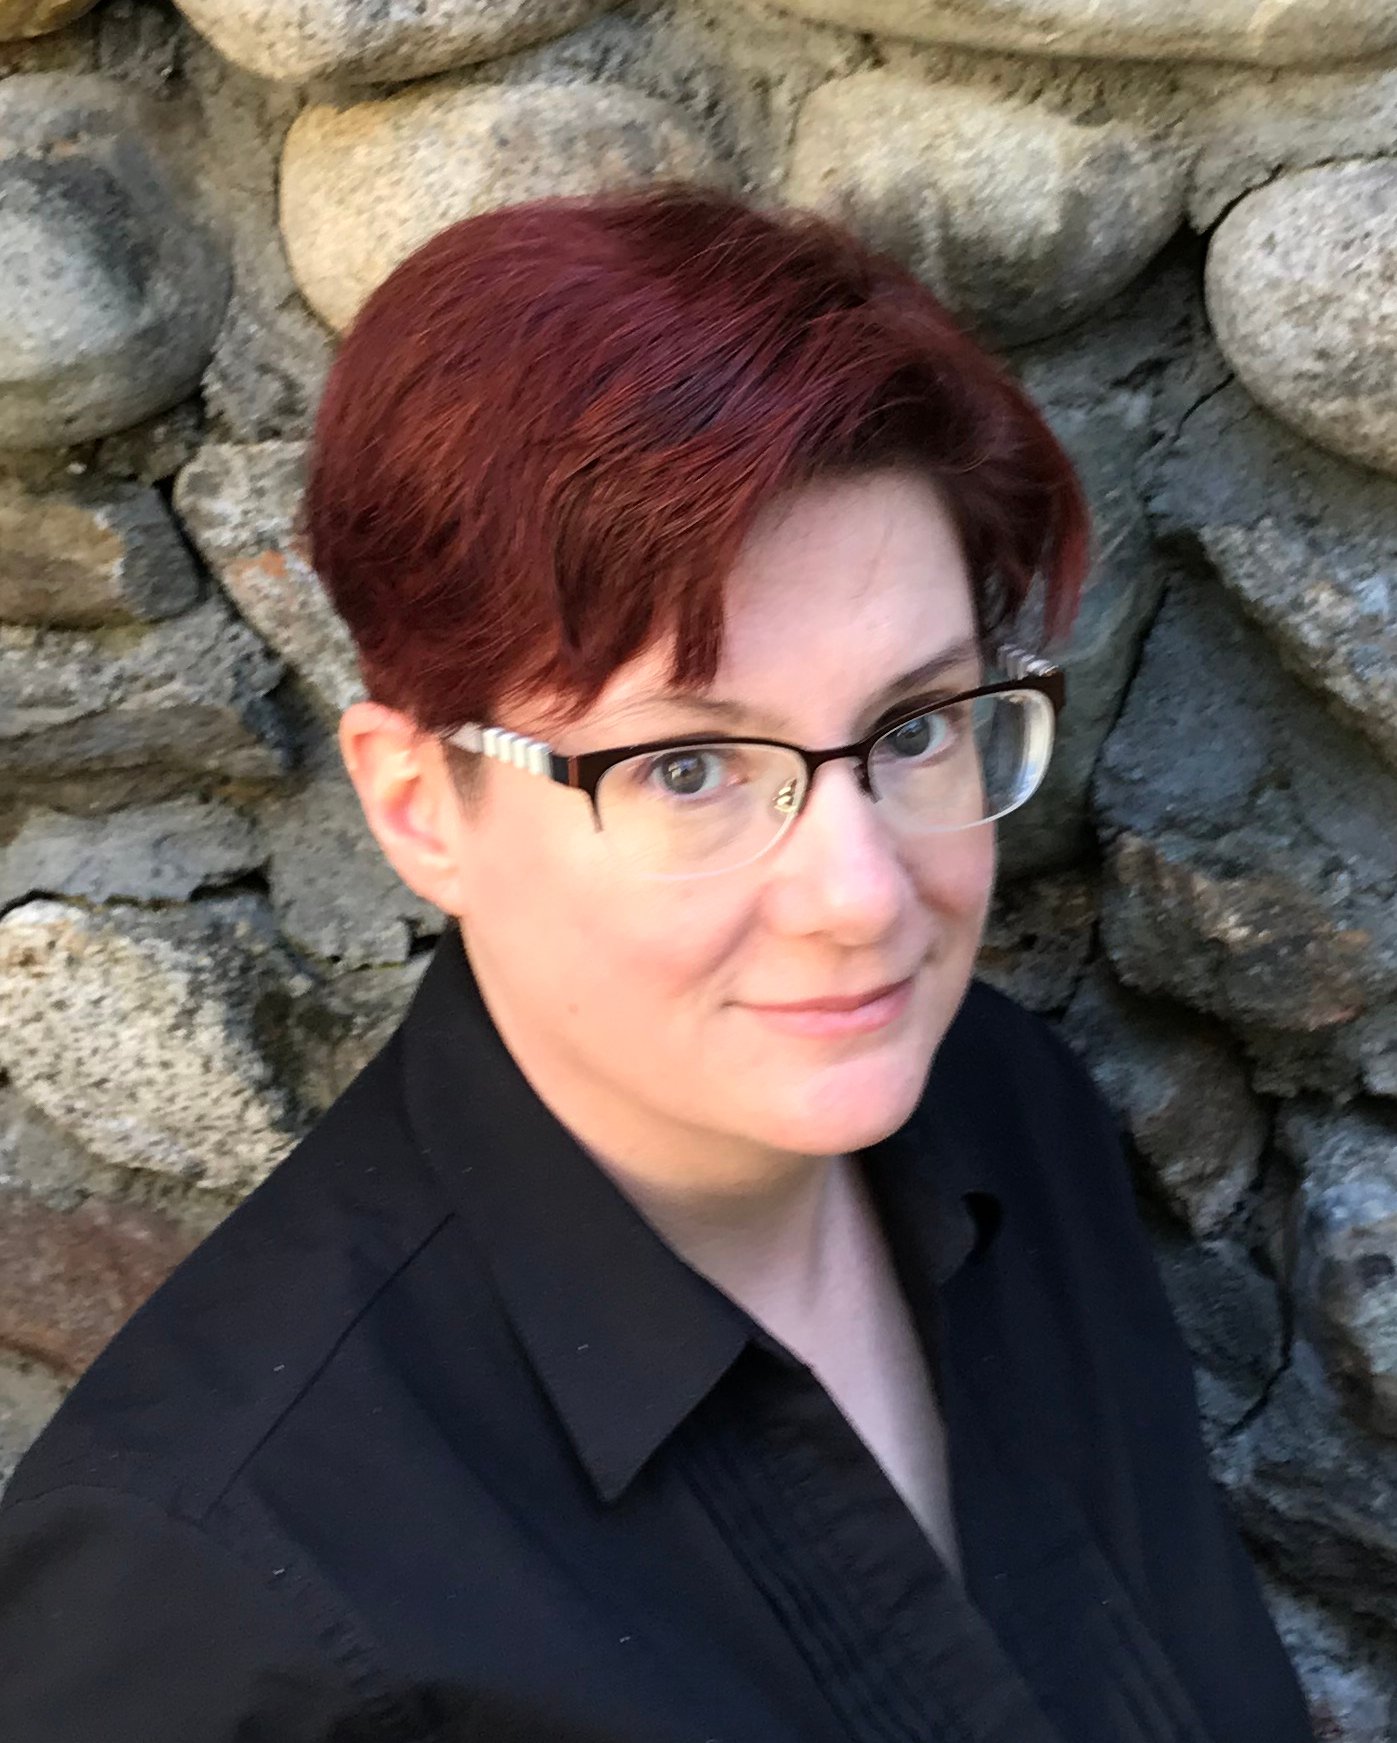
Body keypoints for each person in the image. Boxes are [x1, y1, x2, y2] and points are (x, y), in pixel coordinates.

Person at [0, 185, 1313, 1743]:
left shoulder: (1009, 1114)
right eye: (686, 767)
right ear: (420, 807)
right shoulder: (206, 1598)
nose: (856, 899)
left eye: (912, 728)